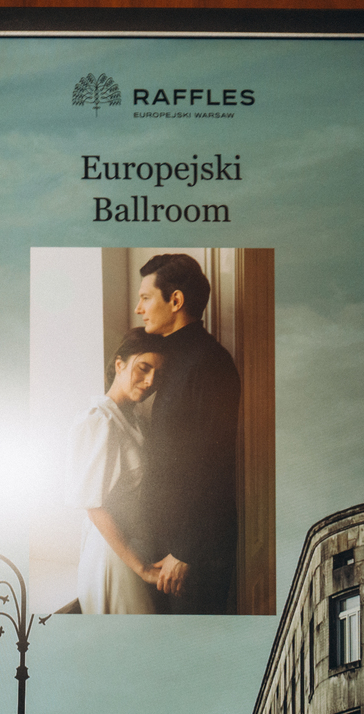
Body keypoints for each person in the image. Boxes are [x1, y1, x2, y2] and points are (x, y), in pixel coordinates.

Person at [135, 253, 241, 614]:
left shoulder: (212, 363)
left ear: (175, 301)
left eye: (146, 297)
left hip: (194, 554)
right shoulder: (164, 359)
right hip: (162, 545)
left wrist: (185, 552)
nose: (138, 308)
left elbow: (216, 464)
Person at [67, 328, 168, 614]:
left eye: (158, 375)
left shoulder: (134, 419)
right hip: (110, 555)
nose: (150, 382)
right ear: (119, 364)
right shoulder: (98, 421)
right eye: (143, 369)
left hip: (133, 547)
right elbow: (94, 507)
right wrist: (143, 569)